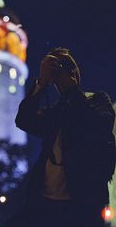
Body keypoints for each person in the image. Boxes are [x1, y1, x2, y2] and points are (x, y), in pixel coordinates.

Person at [13, 47, 115, 227]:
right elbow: (24, 120)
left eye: (65, 68)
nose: (59, 76)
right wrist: (41, 83)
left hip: (81, 206)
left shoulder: (98, 101)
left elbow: (95, 126)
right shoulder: (57, 112)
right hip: (45, 203)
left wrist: (71, 88)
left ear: (75, 72)